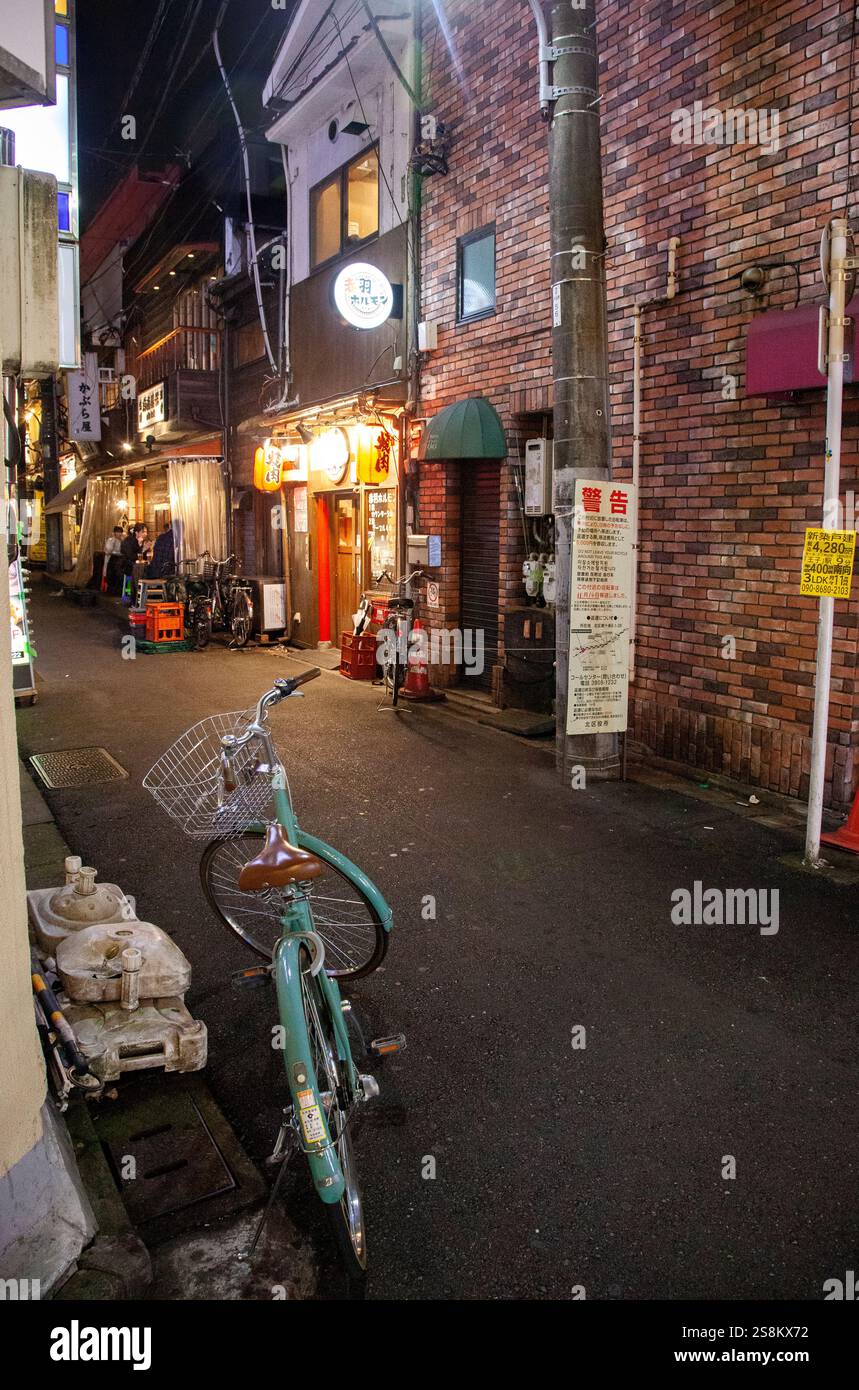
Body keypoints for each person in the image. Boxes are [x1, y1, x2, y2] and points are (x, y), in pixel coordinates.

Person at [102, 526, 125, 594]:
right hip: (111, 561)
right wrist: (114, 541)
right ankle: (111, 590)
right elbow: (108, 550)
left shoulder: (122, 541)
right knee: (111, 575)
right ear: (114, 533)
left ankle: (117, 590)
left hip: (118, 561)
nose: (120, 534)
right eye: (118, 532)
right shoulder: (111, 540)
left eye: (121, 532)